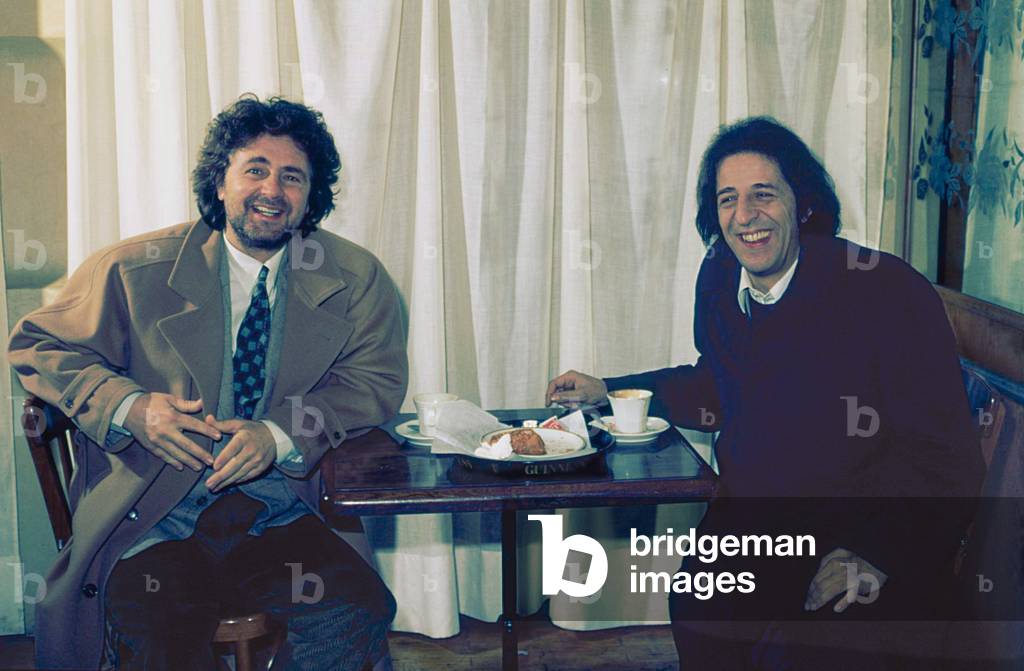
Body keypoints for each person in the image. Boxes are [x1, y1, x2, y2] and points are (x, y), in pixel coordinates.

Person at [546, 117, 984, 668]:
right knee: (700, 601)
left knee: (830, 638)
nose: (745, 216)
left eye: (763, 195)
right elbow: (716, 384)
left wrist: (876, 553)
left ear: (802, 204)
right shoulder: (719, 276)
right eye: (728, 199)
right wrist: (609, 391)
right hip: (760, 520)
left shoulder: (886, 292)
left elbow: (947, 456)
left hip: (867, 522)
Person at [9, 95, 408, 670]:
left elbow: (374, 378)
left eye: (292, 177)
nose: (272, 190)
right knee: (160, 634)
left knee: (353, 610)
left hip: (283, 514)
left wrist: (279, 433)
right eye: (255, 170)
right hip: (157, 520)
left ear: (310, 198)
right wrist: (130, 406)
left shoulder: (354, 276)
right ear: (219, 183)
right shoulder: (131, 268)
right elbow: (38, 344)